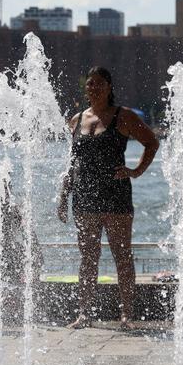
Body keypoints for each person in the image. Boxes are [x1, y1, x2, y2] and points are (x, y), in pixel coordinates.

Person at [58, 67, 159, 329]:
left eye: (100, 84)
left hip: (115, 197)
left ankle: (127, 315)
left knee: (121, 256)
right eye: (90, 84)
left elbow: (152, 142)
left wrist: (136, 171)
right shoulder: (76, 120)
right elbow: (73, 163)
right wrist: (63, 196)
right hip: (84, 197)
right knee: (88, 258)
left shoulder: (122, 117)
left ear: (109, 87)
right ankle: (84, 314)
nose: (94, 88)